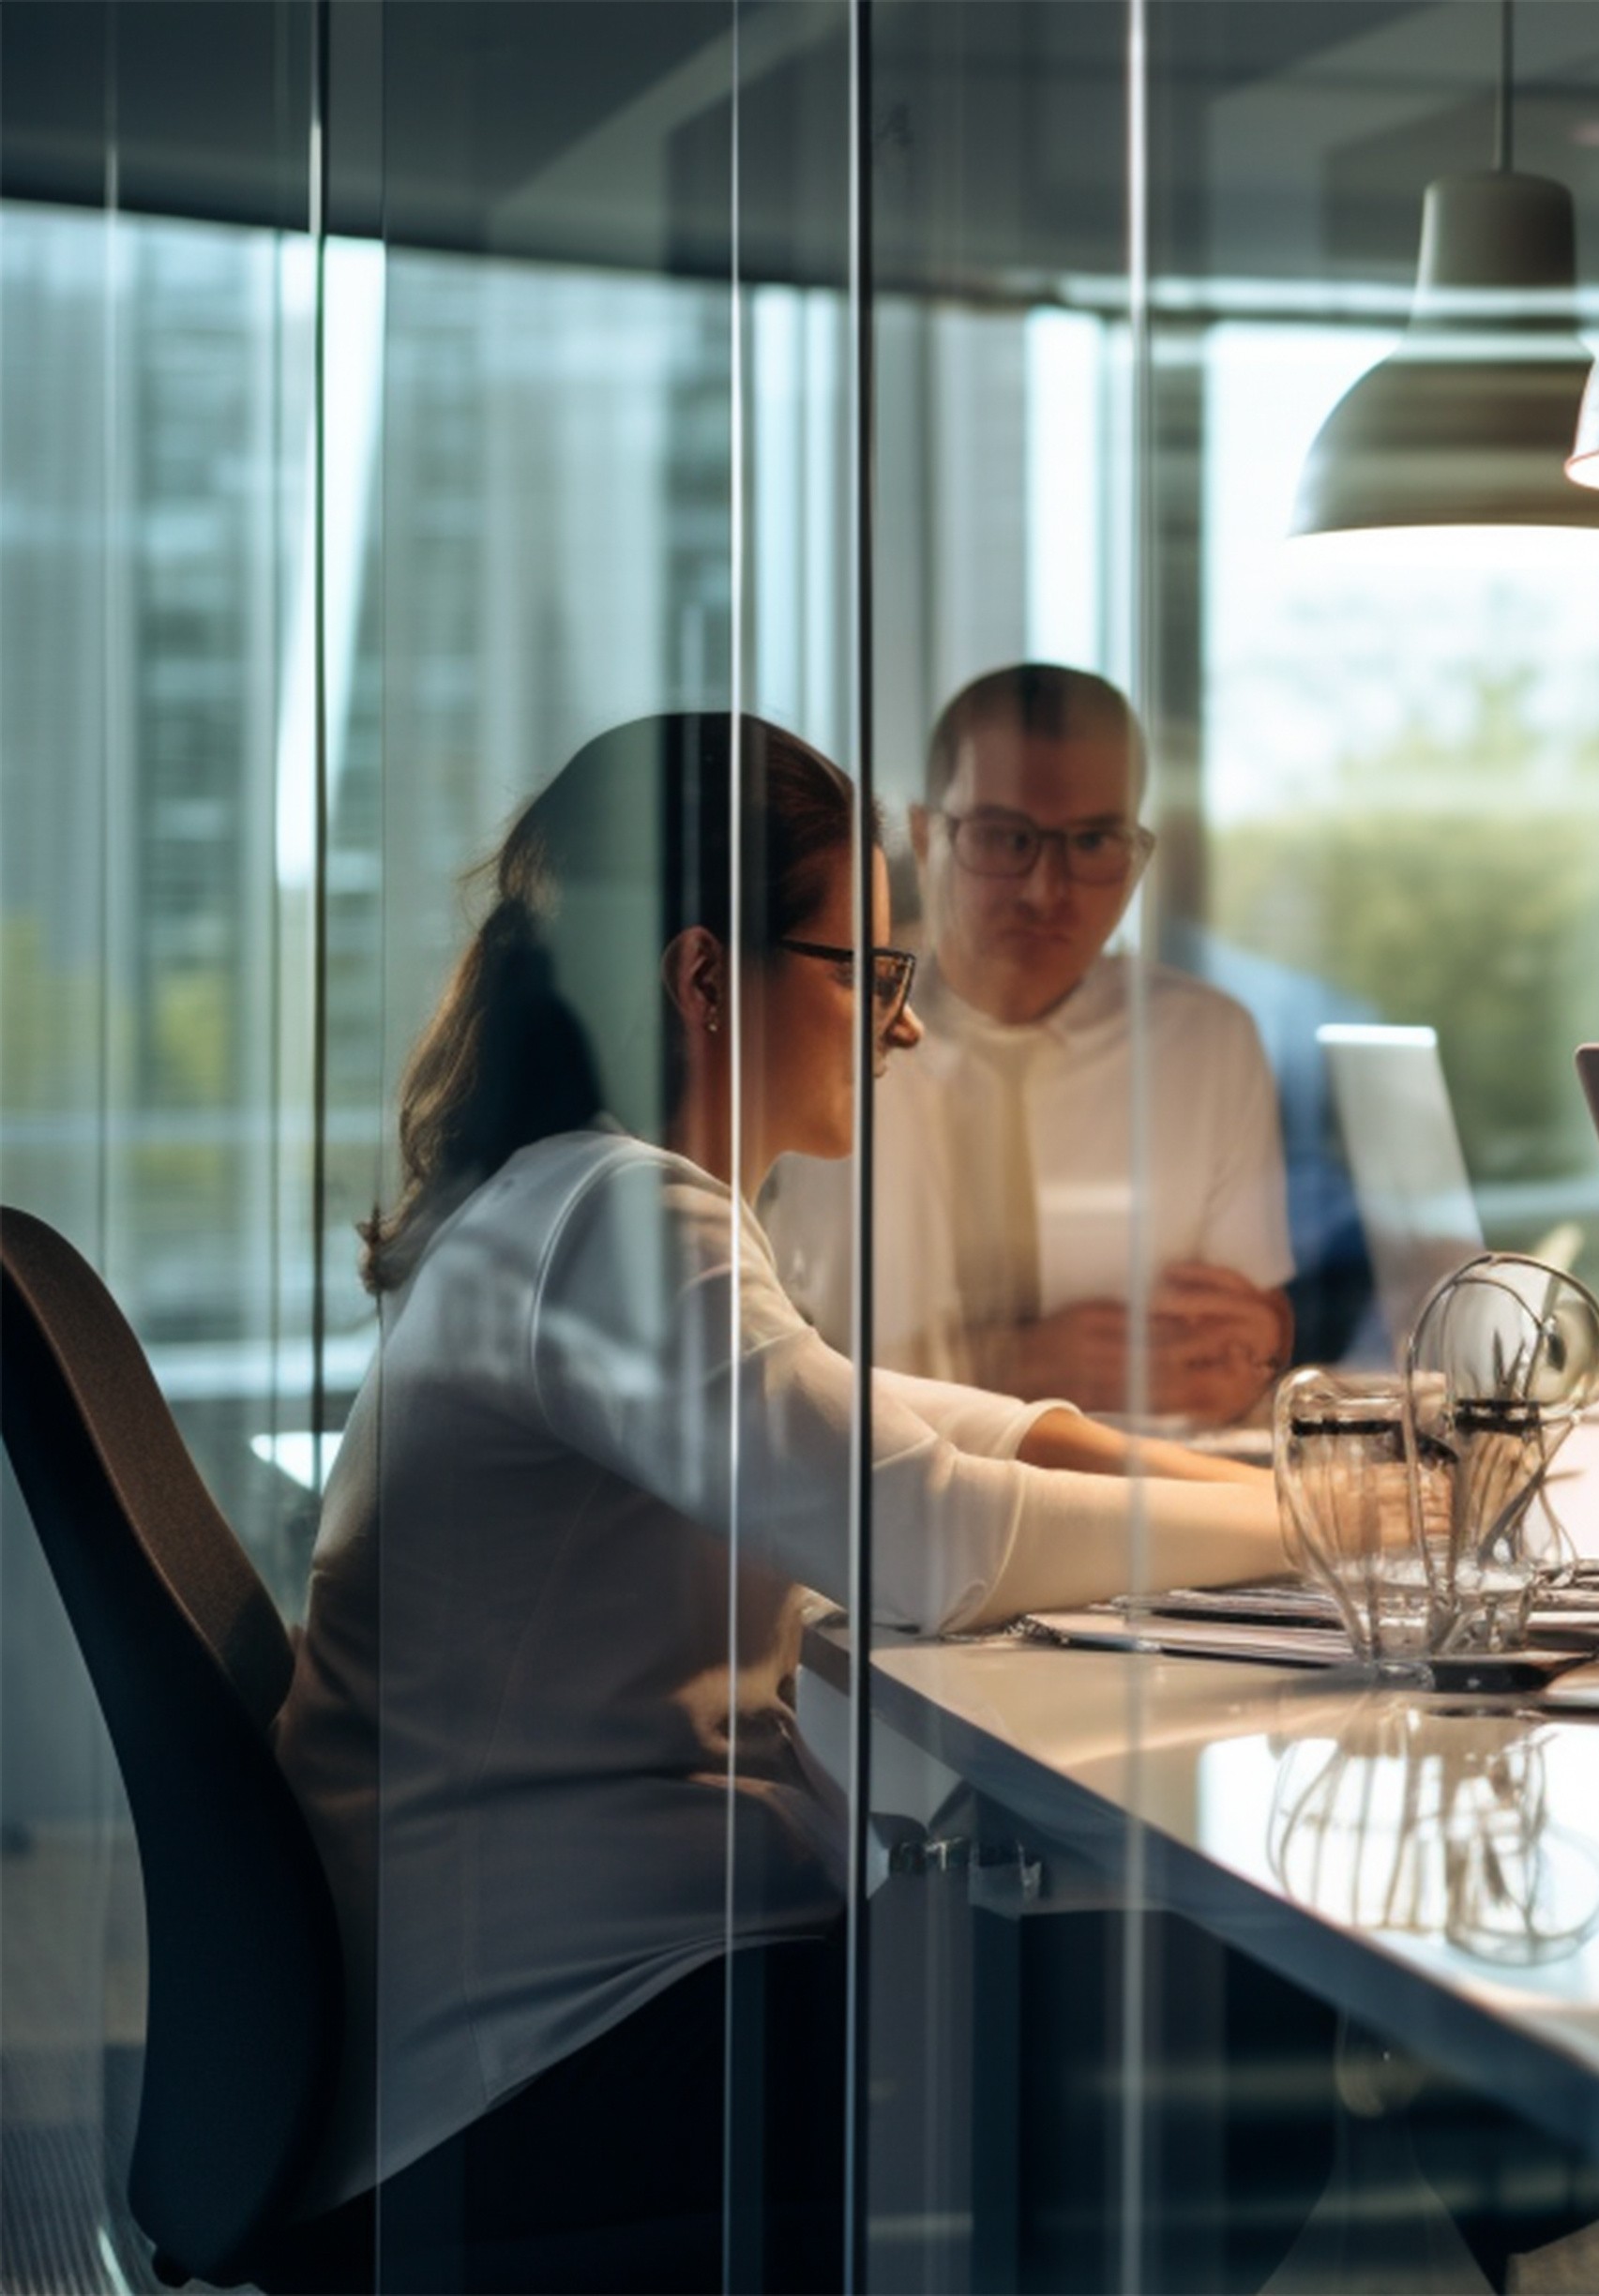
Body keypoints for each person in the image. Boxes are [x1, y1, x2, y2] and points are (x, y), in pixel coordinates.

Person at [272, 714, 1285, 2286]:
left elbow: (926, 1428)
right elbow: (928, 1533)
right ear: (699, 979)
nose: (903, 1029)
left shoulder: (570, 1196)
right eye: (862, 973)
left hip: (533, 1999)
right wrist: (1325, 1537)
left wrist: (1268, 1482)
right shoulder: (609, 1213)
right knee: (1241, 2015)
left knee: (1176, 1982)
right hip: (526, 2062)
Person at [766, 664, 1294, 1425]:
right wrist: (1004, 1367)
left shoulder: (1205, 1041)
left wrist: (1262, 1345)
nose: (1047, 890)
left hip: (1143, 1501)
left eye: (1094, 840)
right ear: (923, 833)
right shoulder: (823, 1018)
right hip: (879, 1502)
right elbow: (751, 1364)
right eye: (1004, 837)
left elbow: (1250, 1333)